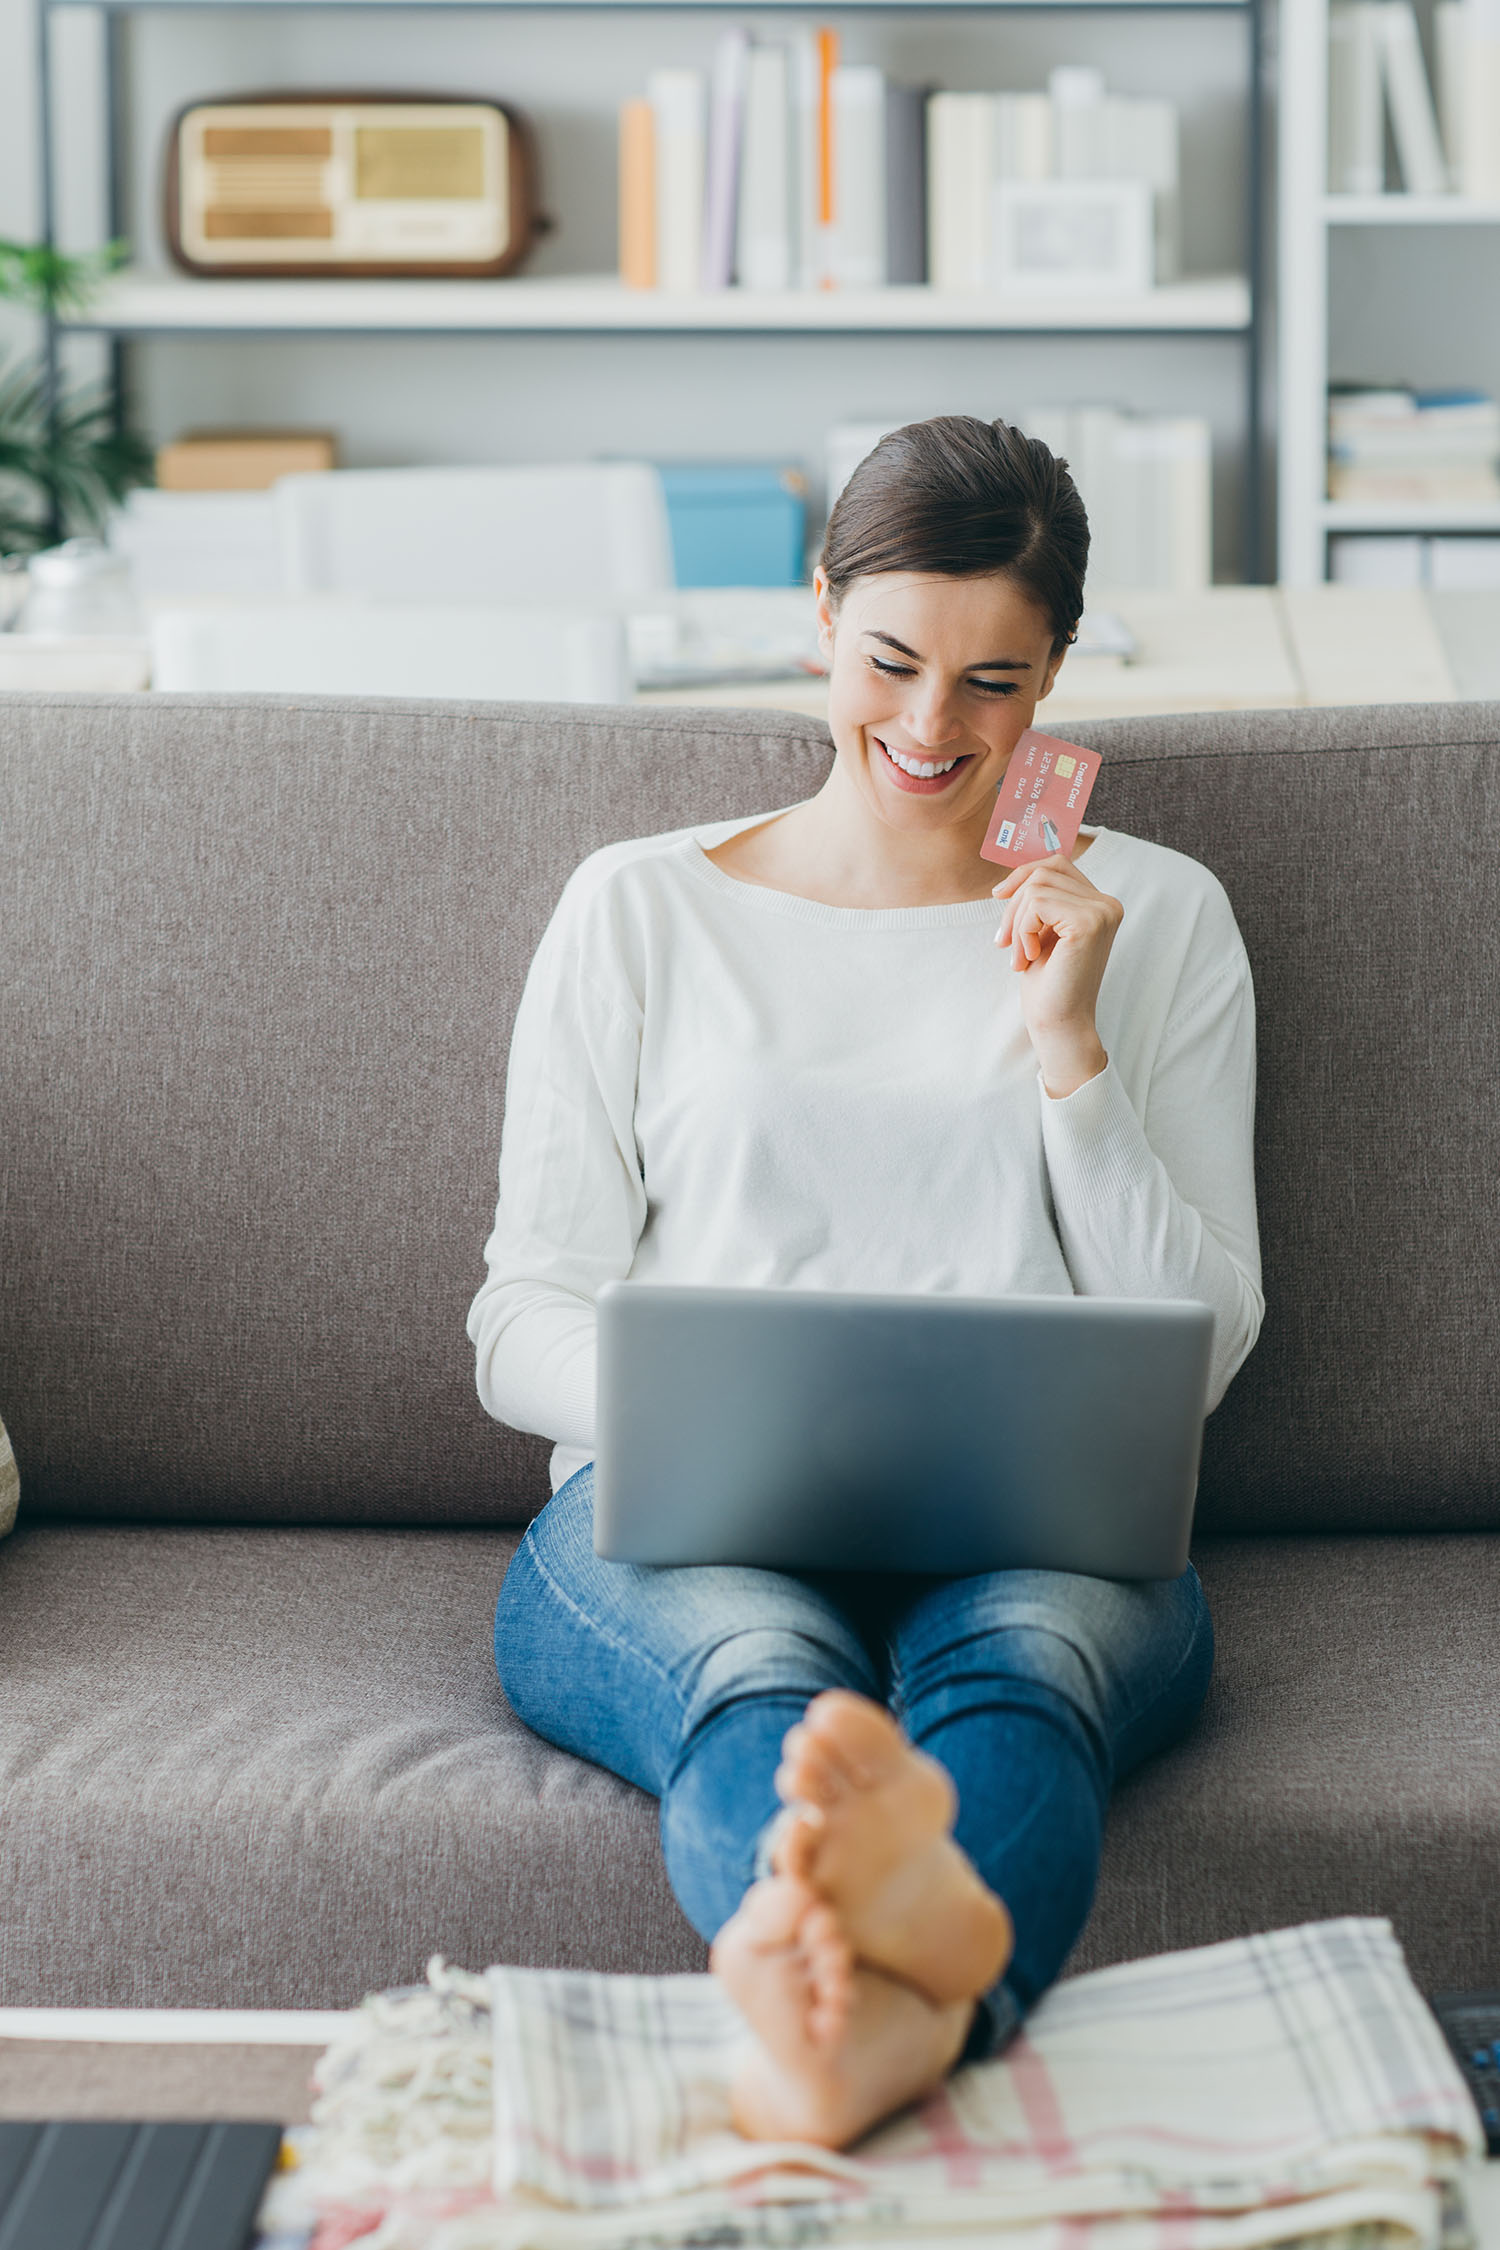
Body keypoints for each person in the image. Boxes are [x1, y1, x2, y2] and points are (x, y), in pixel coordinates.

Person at [467, 414, 1263, 2151]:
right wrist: (711, 1404)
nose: (930, 728)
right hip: (689, 1521)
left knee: (1026, 1669)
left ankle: (834, 2021)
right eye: (891, 658)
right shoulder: (638, 912)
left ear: (1055, 676)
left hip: (1040, 1529)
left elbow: (1199, 1349)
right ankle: (915, 2002)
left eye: (994, 680)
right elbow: (520, 1316)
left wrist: (1070, 1054)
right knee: (764, 1675)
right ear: (817, 611)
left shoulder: (1157, 918)